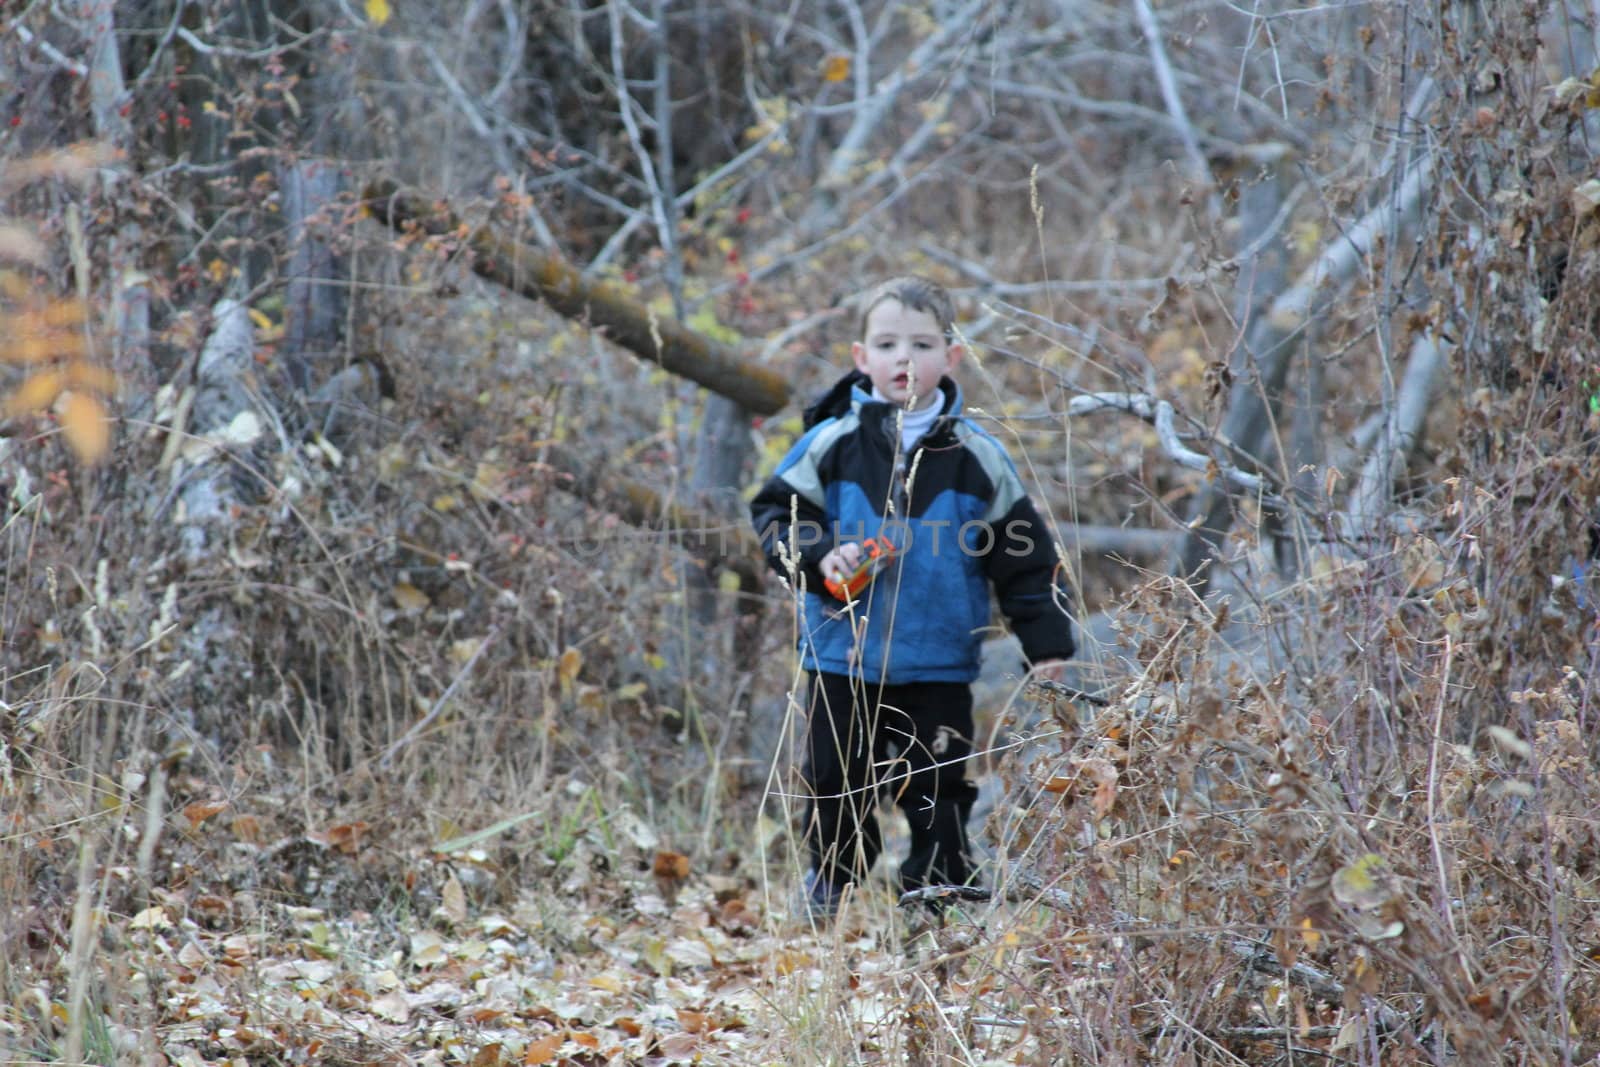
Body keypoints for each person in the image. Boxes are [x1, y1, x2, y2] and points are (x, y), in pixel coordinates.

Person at [749, 276, 1075, 921]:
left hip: (939, 658)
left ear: (951, 357)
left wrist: (1047, 641)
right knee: (832, 776)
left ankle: (937, 890)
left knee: (938, 781)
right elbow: (774, 514)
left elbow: (1023, 555)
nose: (905, 359)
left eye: (923, 344)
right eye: (888, 343)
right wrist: (818, 557)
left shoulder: (977, 456)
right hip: (842, 653)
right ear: (860, 357)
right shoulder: (832, 443)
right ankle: (833, 877)